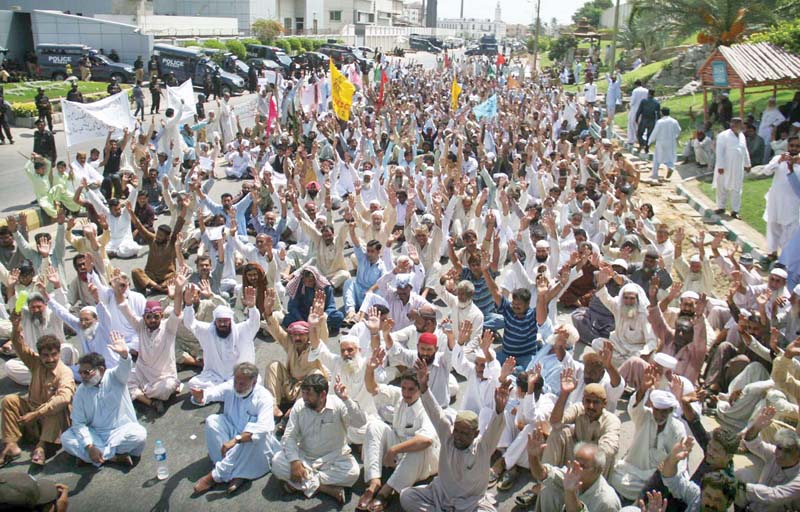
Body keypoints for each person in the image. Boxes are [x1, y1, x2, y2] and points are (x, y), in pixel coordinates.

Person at [398, 358, 511, 512]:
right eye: (457, 430)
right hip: (440, 495)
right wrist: (423, 385)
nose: (458, 436)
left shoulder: (483, 448)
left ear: (475, 434)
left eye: (464, 433)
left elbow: (495, 428)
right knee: (406, 496)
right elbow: (434, 411)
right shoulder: (448, 437)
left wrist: (499, 408)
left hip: (469, 503)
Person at [359, 349, 439, 510]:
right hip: (398, 451)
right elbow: (373, 388)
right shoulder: (400, 395)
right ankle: (374, 483)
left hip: (422, 461)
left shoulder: (427, 405)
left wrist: (393, 450)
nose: (406, 393)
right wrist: (370, 369)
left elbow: (426, 440)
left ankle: (385, 492)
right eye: (404, 388)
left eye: (411, 389)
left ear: (419, 389)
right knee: (375, 426)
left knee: (417, 448)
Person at [270, 374, 367, 504]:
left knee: (353, 473)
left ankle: (301, 484)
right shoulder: (300, 406)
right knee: (277, 462)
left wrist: (346, 399)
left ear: (322, 395)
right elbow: (289, 437)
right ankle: (325, 489)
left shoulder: (339, 405)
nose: (304, 398)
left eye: (308, 394)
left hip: (334, 458)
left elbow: (360, 422)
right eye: (303, 393)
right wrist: (294, 462)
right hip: (305, 457)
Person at [191, 362, 281, 495]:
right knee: (212, 421)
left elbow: (263, 428)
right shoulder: (231, 386)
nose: (237, 387)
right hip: (232, 432)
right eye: (236, 382)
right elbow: (212, 393)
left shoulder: (264, 397)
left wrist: (236, 439)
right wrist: (201, 396)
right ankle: (237, 474)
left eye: (242, 384)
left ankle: (215, 476)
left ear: (254, 382)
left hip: (254, 445)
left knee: (252, 435)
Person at [60, 331, 148, 468]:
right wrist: (89, 446)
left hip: (120, 431)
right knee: (66, 439)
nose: (82, 376)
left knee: (139, 435)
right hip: (95, 434)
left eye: (86, 372)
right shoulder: (81, 391)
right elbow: (78, 423)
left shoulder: (115, 376)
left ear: (100, 370)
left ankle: (97, 457)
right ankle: (113, 458)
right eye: (80, 372)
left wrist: (124, 355)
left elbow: (125, 368)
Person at [0, 314, 75, 467]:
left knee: (56, 408)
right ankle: (11, 444)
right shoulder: (36, 363)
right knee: (9, 400)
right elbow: (19, 345)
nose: (50, 359)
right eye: (46, 356)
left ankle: (41, 447)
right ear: (40, 355)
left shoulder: (65, 372)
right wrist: (15, 326)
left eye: (54, 354)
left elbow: (64, 399)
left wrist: (36, 414)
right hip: (32, 412)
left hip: (51, 420)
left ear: (59, 353)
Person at [183, 288, 260, 391]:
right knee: (193, 384)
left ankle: (221, 392)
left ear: (231, 321)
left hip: (238, 375)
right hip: (215, 376)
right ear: (215, 322)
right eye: (220, 321)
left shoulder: (240, 330)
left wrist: (252, 307)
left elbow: (254, 323)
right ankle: (228, 391)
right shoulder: (208, 331)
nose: (223, 324)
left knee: (255, 380)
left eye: (225, 321)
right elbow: (190, 323)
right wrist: (188, 305)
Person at [762, 135, 800, 261]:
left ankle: (785, 258)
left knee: (789, 229)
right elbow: (766, 171)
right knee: (772, 225)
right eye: (792, 145)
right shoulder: (779, 158)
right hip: (775, 199)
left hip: (791, 202)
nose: (794, 148)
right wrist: (779, 161)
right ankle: (772, 252)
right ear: (788, 146)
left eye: (797, 146)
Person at [713, 117, 751, 219]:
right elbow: (719, 151)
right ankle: (721, 206)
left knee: (737, 188)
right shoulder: (723, 135)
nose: (741, 126)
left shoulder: (742, 136)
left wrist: (747, 164)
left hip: (738, 166)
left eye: (740, 124)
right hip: (725, 166)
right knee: (722, 186)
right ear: (732, 125)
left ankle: (735, 210)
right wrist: (720, 166)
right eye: (737, 124)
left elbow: (744, 150)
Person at [648, 107, 681, 181]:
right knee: (669, 157)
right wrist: (674, 137)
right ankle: (670, 167)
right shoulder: (674, 121)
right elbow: (678, 130)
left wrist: (649, 141)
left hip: (661, 142)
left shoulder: (660, 122)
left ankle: (655, 173)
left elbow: (655, 132)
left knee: (657, 157)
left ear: (661, 113)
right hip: (671, 142)